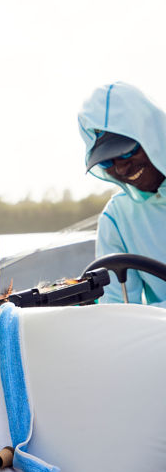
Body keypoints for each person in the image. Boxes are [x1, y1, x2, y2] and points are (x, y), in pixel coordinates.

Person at [78, 81, 166, 306]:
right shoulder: (116, 217)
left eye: (126, 152)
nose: (121, 168)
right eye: (106, 160)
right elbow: (117, 310)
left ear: (153, 135)